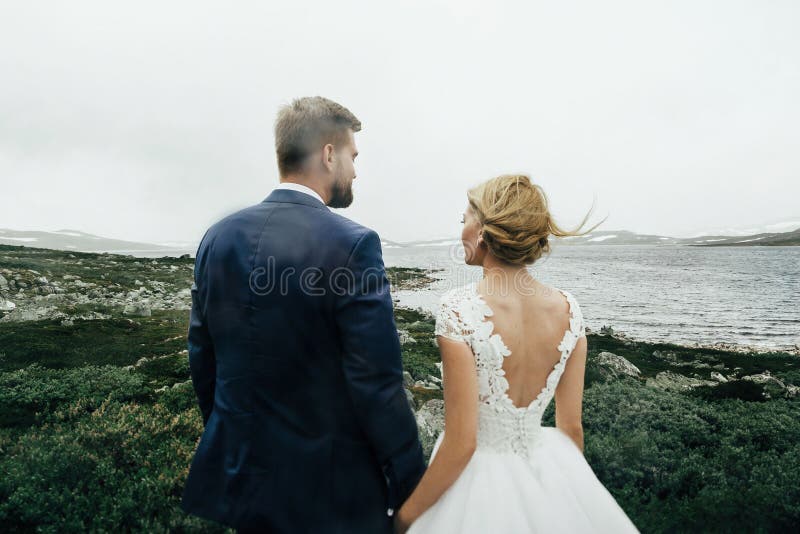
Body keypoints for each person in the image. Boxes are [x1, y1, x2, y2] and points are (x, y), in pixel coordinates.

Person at [180, 96, 426, 532]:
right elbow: (376, 383)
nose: (355, 170)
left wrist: (235, 444)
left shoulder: (217, 237)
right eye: (353, 156)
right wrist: (411, 482)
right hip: (330, 495)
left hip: (245, 487)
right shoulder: (353, 244)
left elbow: (204, 359)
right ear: (328, 154)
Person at [395, 174, 639, 533]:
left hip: (476, 488)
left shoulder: (458, 309)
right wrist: (562, 495)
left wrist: (405, 518)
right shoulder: (570, 310)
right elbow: (571, 429)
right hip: (549, 469)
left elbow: (462, 444)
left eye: (463, 221)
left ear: (482, 232)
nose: (460, 231)